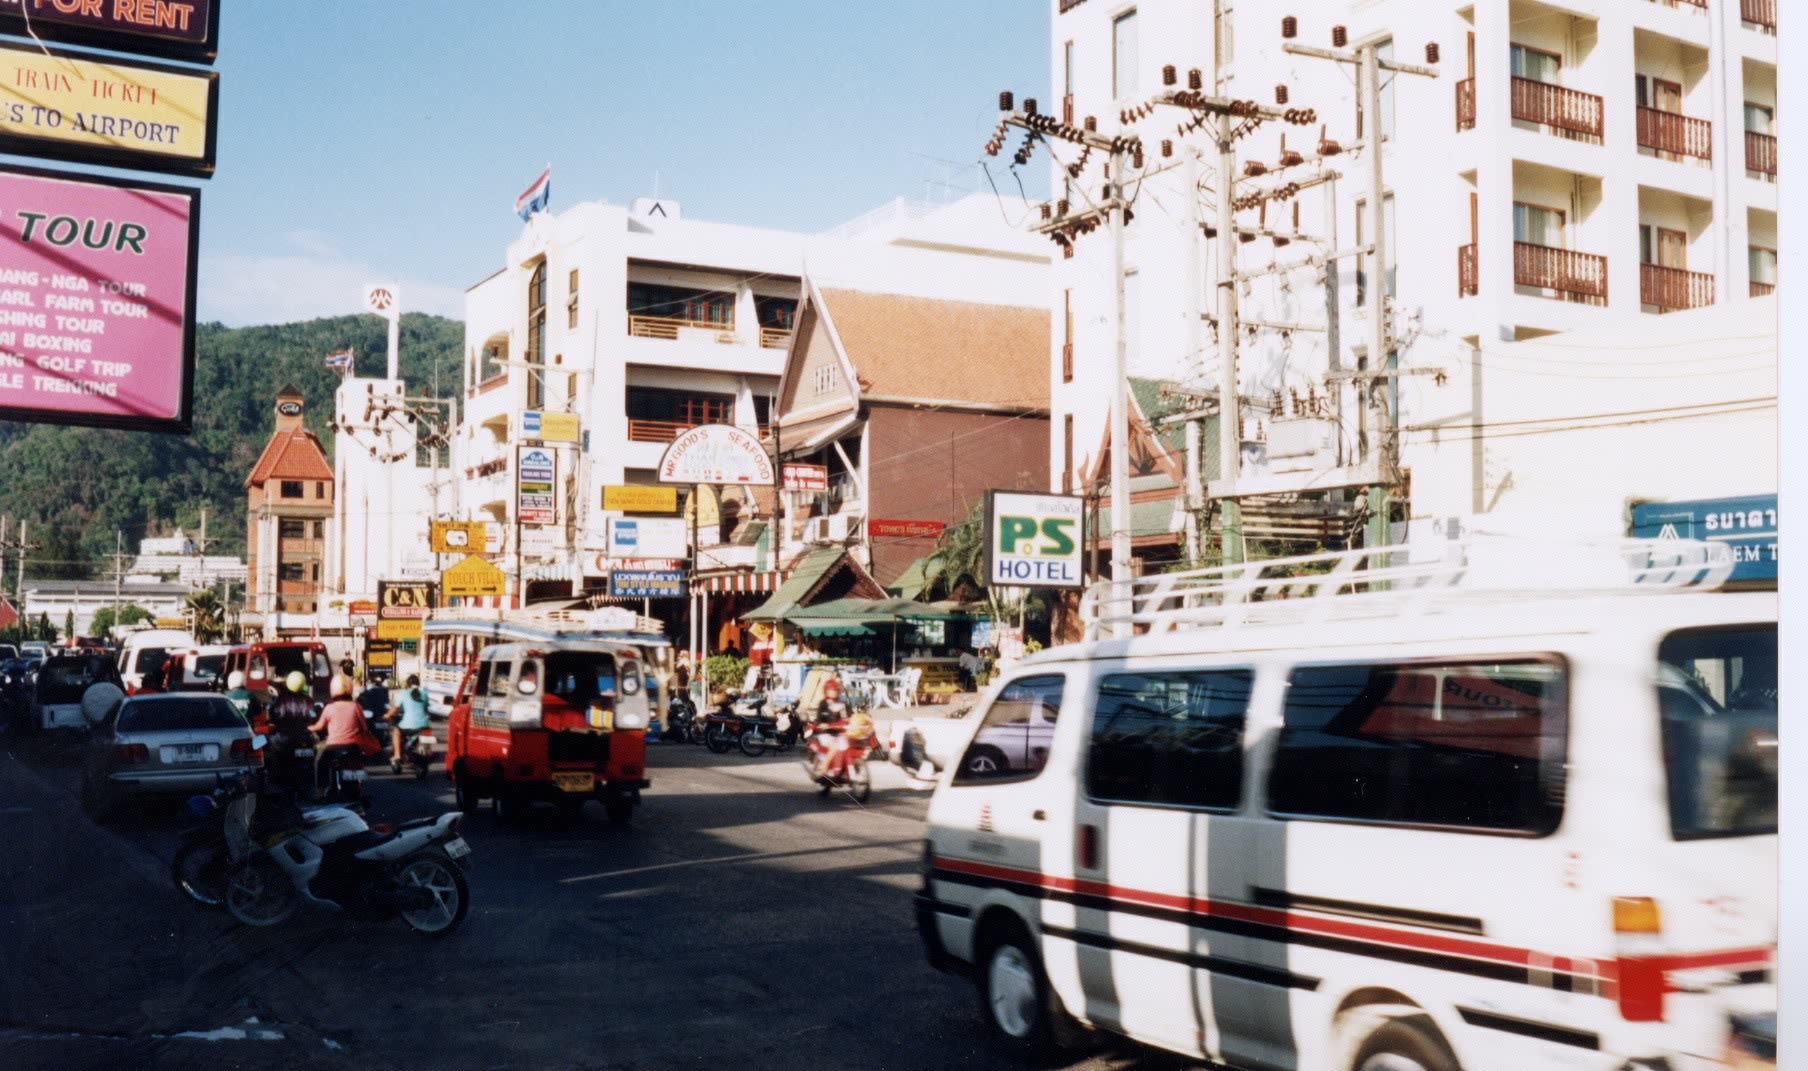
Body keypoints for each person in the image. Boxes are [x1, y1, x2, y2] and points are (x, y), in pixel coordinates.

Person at [308, 675, 366, 790]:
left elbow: (319, 726)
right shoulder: (356, 706)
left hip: (333, 746)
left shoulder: (329, 707)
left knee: (320, 762)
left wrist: (308, 728)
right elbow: (364, 727)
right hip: (353, 746)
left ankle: (321, 789)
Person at [385, 674, 431, 772]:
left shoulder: (403, 694)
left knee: (396, 732)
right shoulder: (424, 694)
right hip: (424, 725)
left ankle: (397, 755)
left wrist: (387, 716)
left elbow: (395, 709)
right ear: (418, 684)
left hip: (407, 725)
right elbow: (426, 709)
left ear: (407, 684)